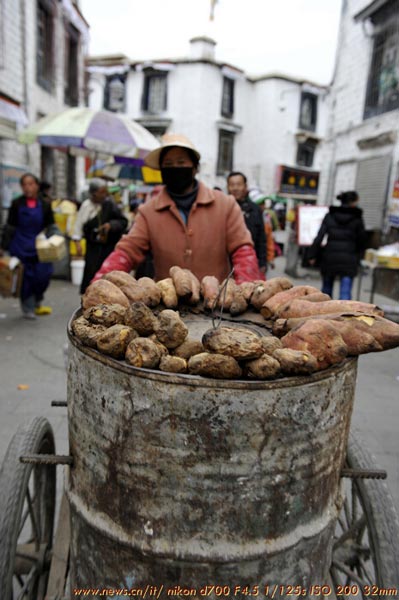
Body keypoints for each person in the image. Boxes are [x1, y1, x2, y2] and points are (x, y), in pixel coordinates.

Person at [92, 134, 260, 284]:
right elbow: (127, 251)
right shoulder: (148, 212)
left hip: (217, 307)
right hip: (168, 308)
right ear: (162, 171)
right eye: (168, 164)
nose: (175, 168)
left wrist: (246, 286)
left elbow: (242, 251)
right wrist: (100, 283)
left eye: (181, 162)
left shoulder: (225, 205)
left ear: (195, 168)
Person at [0, 173, 56, 319]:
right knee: (25, 279)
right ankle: (28, 307)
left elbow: (51, 225)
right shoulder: (16, 204)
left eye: (31, 184)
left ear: (37, 186)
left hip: (39, 246)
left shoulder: (44, 204)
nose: (27, 187)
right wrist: (3, 246)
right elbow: (10, 226)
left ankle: (37, 299)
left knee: (43, 275)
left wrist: (55, 239)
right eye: (24, 184)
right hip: (20, 246)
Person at [72, 178, 128, 293]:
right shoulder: (86, 206)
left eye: (105, 192)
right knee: (90, 274)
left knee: (107, 275)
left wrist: (111, 225)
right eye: (101, 192)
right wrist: (77, 243)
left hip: (107, 247)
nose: (104, 195)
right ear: (94, 193)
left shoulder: (110, 204)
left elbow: (123, 222)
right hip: (92, 246)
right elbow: (78, 225)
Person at [308, 191, 367, 300]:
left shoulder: (330, 215)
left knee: (326, 292)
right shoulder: (357, 218)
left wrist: (312, 255)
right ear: (353, 202)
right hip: (349, 259)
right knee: (345, 294)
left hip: (330, 257)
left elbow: (319, 236)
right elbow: (362, 241)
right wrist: (359, 257)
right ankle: (344, 316)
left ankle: (324, 314)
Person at [226, 172, 267, 278]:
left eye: (239, 184)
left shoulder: (255, 210)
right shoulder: (222, 209)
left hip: (249, 263)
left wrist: (262, 262)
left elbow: (261, 238)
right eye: (232, 184)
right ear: (227, 187)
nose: (235, 188)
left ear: (245, 186)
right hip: (226, 263)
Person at [248, 191, 276, 270]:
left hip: (261, 260)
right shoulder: (245, 216)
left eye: (263, 203)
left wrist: (270, 258)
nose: (263, 206)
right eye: (260, 203)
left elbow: (268, 240)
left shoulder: (266, 218)